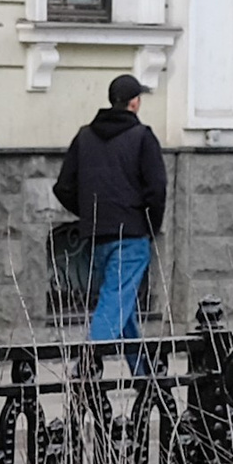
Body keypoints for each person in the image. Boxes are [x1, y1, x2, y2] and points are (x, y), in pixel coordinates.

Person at [55, 72, 166, 342]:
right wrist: (150, 226)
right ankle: (87, 367)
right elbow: (157, 189)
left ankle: (143, 377)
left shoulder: (84, 137)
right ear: (134, 102)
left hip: (96, 236)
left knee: (119, 303)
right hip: (131, 235)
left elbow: (63, 187)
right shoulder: (142, 137)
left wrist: (91, 214)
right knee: (115, 302)